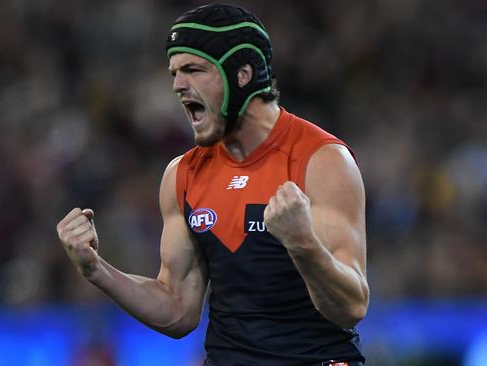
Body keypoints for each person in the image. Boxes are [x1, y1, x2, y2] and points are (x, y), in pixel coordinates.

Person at [56, 4, 368, 365]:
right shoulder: (183, 175)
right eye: (174, 72)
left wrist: (302, 243)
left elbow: (351, 306)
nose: (177, 85)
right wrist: (96, 269)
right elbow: (177, 310)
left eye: (193, 69)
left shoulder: (322, 161)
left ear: (242, 74)